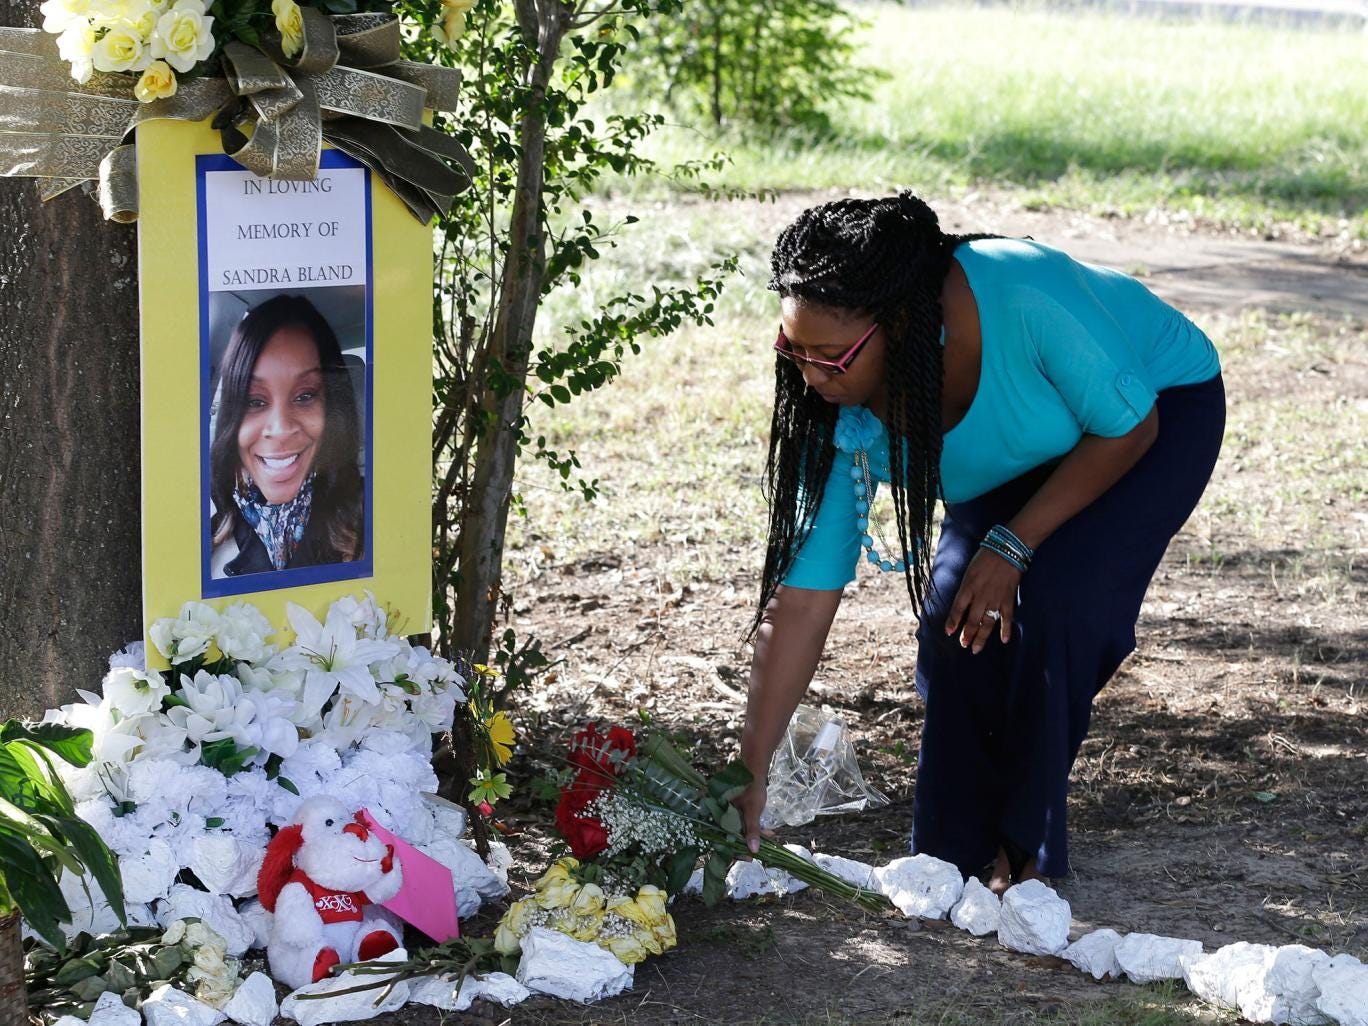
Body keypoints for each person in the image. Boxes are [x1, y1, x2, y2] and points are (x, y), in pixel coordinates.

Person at [736, 192, 1224, 893]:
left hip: (1149, 415)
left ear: (900, 323)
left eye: (831, 357)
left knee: (1058, 606)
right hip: (1025, 451)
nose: (810, 376)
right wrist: (747, 769)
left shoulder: (1023, 291)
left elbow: (1129, 427)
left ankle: (1028, 858)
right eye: (794, 349)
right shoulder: (838, 408)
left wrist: (1013, 543)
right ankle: (948, 862)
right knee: (956, 622)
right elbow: (804, 596)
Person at [209, 294, 365, 578]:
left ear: (333, 408)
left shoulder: (373, 519)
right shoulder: (205, 534)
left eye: (305, 396)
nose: (280, 429)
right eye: (255, 401)